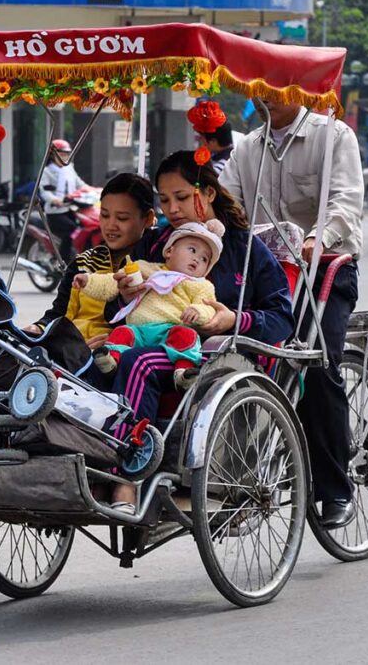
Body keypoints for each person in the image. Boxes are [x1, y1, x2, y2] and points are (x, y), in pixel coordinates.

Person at [108, 151, 295, 514]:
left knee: (137, 364)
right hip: (153, 339)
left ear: (208, 193)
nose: (172, 208)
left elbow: (282, 317)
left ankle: (125, 480)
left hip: (221, 357)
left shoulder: (245, 248)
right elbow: (116, 310)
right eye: (164, 201)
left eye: (181, 197)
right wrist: (124, 296)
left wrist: (234, 320)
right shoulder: (155, 243)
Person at [220, 98, 364, 529]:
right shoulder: (247, 147)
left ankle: (335, 488)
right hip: (264, 275)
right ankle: (234, 479)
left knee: (315, 365)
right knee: (228, 357)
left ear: (298, 87)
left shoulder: (333, 135)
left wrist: (317, 238)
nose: (269, 95)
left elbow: (344, 202)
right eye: (260, 87)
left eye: (277, 85)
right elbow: (227, 205)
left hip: (323, 269)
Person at [80, 219, 225, 389]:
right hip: (139, 331)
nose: (197, 259)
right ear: (169, 251)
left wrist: (197, 311)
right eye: (192, 250)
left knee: (187, 336)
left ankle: (183, 372)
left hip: (170, 330)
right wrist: (88, 282)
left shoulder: (200, 285)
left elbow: (208, 306)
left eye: (204, 259)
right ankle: (111, 360)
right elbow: (111, 282)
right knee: (121, 332)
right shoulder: (145, 268)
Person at [28, 172, 156, 349]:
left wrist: (115, 340)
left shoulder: (156, 265)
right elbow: (59, 313)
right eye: (104, 215)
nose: (110, 225)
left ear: (148, 219)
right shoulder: (83, 263)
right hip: (70, 347)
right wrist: (39, 327)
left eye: (122, 218)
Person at [40, 139, 91, 263]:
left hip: (71, 208)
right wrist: (54, 200)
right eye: (61, 154)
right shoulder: (47, 171)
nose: (65, 157)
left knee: (86, 228)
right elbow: (44, 191)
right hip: (55, 212)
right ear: (53, 155)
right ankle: (63, 261)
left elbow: (80, 184)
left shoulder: (69, 169)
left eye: (67, 154)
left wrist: (92, 190)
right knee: (72, 229)